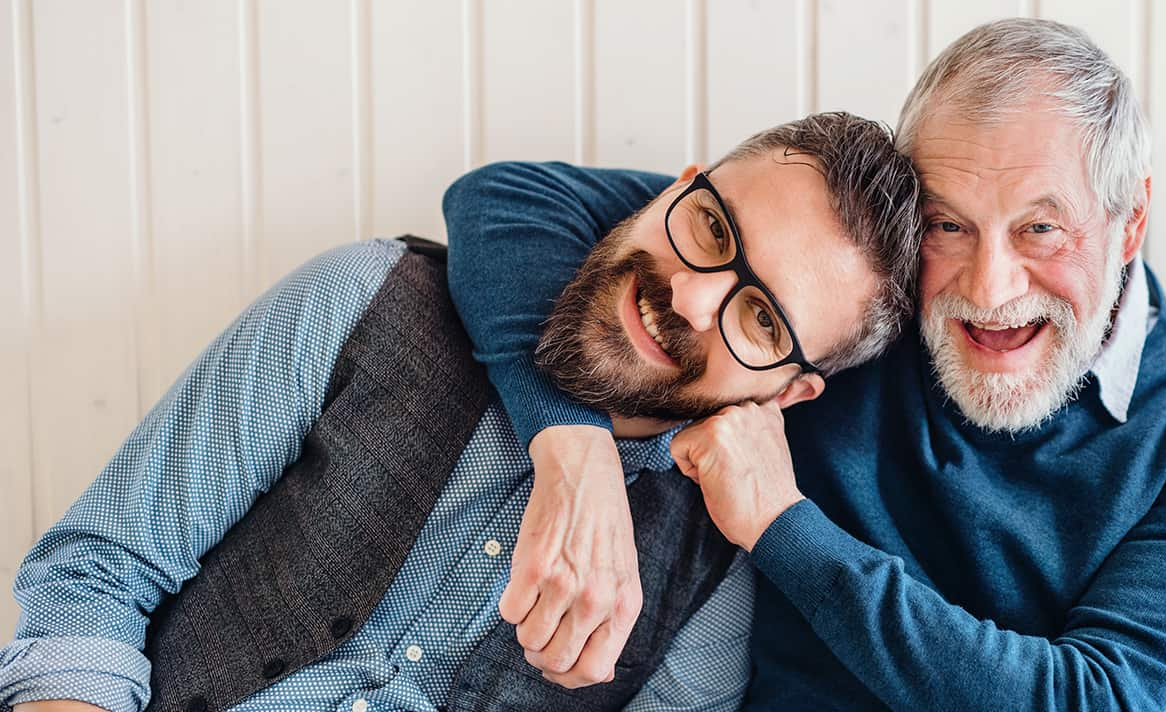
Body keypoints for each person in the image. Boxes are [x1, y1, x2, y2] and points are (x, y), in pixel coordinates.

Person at [444, 18, 1166, 711]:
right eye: (947, 225)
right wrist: (575, 449)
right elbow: (510, 202)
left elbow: (1102, 700)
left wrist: (783, 525)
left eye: (1041, 229)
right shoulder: (858, 297)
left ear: (1130, 221)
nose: (989, 288)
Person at [0, 112, 922, 712]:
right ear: (675, 186)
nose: (689, 296)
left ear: (789, 392)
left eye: (759, 317)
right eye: (713, 228)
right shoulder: (363, 300)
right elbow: (100, 574)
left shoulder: (711, 577)